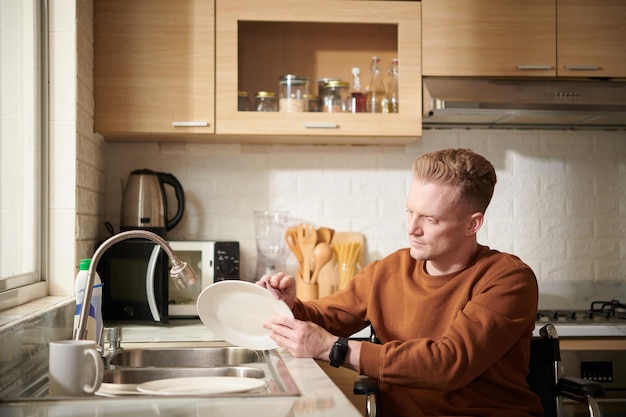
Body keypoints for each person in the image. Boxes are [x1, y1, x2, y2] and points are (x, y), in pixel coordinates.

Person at [257, 148, 543, 417]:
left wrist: (332, 348)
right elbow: (326, 318)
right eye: (410, 212)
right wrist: (289, 306)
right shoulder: (389, 269)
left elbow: (448, 364)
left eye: (430, 219)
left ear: (472, 224)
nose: (412, 229)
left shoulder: (509, 279)